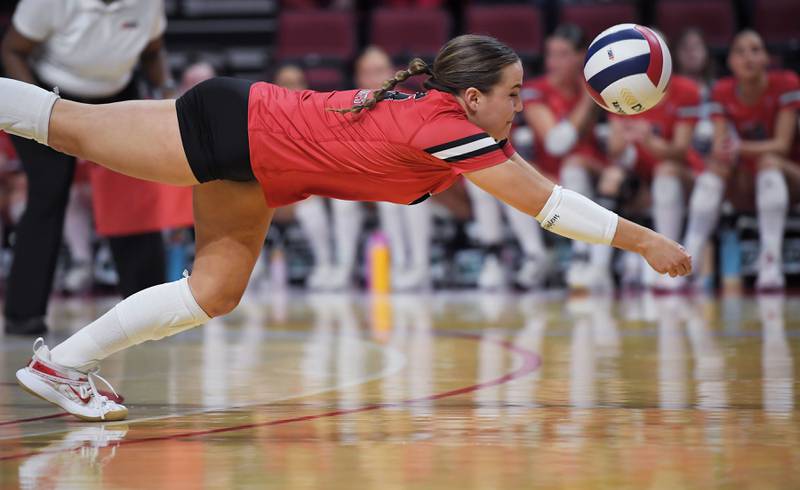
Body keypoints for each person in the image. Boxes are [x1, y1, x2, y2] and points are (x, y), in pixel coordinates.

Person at [2, 34, 690, 421]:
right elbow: (548, 205)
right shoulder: (445, 124)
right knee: (67, 125)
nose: (521, 103)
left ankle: (62, 365)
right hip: (234, 128)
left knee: (212, 293)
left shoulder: (443, 122)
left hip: (254, 163)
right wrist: (646, 240)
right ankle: (59, 363)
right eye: (513, 94)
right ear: (475, 96)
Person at [0, 0, 181, 334]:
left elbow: (153, 52)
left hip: (116, 93)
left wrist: (169, 91)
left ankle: (145, 310)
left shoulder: (148, 3)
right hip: (47, 92)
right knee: (49, 190)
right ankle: (23, 314)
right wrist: (43, 108)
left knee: (133, 191)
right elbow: (12, 49)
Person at [679, 30, 800, 290]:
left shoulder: (787, 83)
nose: (748, 57)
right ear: (730, 61)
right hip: (746, 180)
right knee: (715, 171)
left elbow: (781, 145)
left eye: (755, 50)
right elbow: (722, 149)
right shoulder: (722, 90)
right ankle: (689, 259)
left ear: (767, 57)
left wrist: (737, 147)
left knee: (768, 161)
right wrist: (720, 151)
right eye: (740, 51)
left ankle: (771, 261)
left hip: (791, 176)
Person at [606, 38, 704, 289]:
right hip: (642, 177)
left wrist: (649, 141)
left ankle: (670, 257)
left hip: (683, 175)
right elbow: (614, 151)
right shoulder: (620, 88)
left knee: (665, 171)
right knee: (611, 177)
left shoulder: (686, 90)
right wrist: (624, 137)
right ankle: (595, 264)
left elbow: (680, 152)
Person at [521, 24, 610, 290]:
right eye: (550, 54)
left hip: (590, 172)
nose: (553, 62)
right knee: (512, 172)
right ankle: (535, 256)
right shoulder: (536, 90)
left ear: (580, 58)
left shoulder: (608, 88)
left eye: (562, 54)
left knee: (575, 168)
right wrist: (588, 98)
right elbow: (556, 143)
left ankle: (585, 257)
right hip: (551, 175)